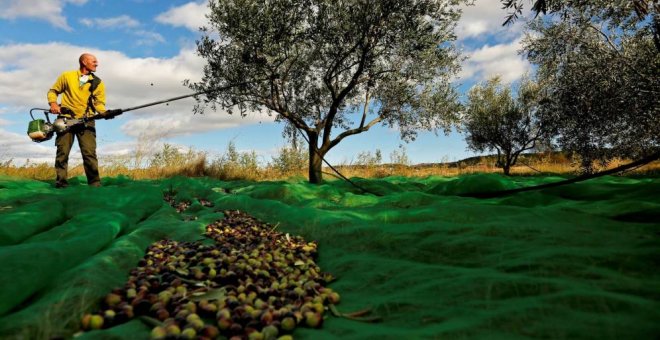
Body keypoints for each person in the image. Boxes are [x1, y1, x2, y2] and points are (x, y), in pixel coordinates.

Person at [47, 53, 120, 188]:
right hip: (65, 120)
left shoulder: (97, 82)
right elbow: (53, 91)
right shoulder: (67, 76)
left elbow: (99, 104)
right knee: (62, 153)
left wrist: (105, 113)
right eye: (94, 61)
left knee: (89, 153)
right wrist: (53, 104)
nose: (97, 63)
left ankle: (94, 184)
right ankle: (61, 183)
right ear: (83, 62)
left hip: (87, 121)